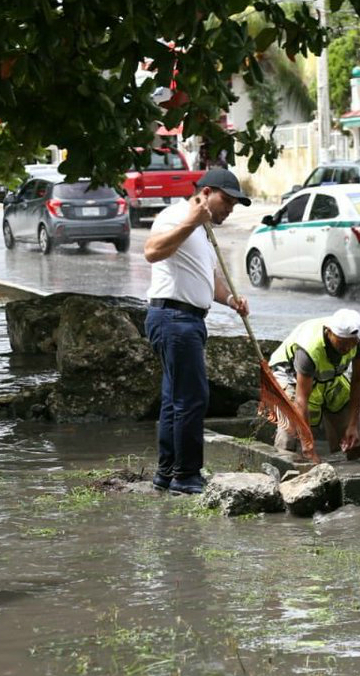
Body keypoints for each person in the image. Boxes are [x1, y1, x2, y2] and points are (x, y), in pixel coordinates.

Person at [143, 168, 252, 495]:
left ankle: (167, 473)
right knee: (192, 399)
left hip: (186, 320)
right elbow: (152, 252)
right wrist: (190, 222)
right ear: (205, 193)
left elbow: (207, 278)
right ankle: (187, 476)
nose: (229, 209)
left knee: (175, 399)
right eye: (226, 201)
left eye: (233, 204)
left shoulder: (203, 232)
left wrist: (230, 300)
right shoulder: (176, 216)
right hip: (174, 318)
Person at [270, 309, 360, 460]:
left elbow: (358, 380)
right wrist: (308, 446)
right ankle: (283, 462)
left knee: (356, 427)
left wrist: (352, 425)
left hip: (328, 374)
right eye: (342, 342)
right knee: (290, 424)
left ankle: (356, 466)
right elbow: (301, 400)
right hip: (289, 373)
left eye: (352, 343)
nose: (347, 348)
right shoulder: (309, 349)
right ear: (329, 332)